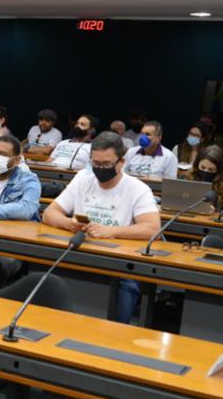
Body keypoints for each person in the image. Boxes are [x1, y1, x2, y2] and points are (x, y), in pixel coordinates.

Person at [42, 131, 160, 324]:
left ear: (121, 162)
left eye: (106, 164)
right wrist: (70, 224)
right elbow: (49, 213)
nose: (99, 169)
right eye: (95, 163)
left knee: (123, 298)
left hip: (118, 267)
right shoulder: (82, 179)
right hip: (78, 258)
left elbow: (152, 228)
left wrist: (111, 231)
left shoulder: (137, 188)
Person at [183, 145, 223, 212]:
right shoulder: (186, 178)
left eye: (211, 170)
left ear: (219, 170)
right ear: (197, 164)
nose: (206, 172)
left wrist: (215, 212)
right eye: (202, 168)